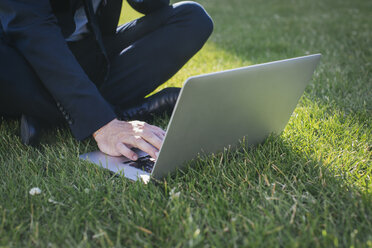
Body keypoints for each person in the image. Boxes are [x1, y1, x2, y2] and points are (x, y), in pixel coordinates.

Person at [0, 0, 213, 161]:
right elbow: (34, 32)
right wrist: (103, 124)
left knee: (192, 19)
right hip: (22, 59)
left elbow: (150, 5)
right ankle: (128, 111)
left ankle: (48, 111)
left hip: (91, 56)